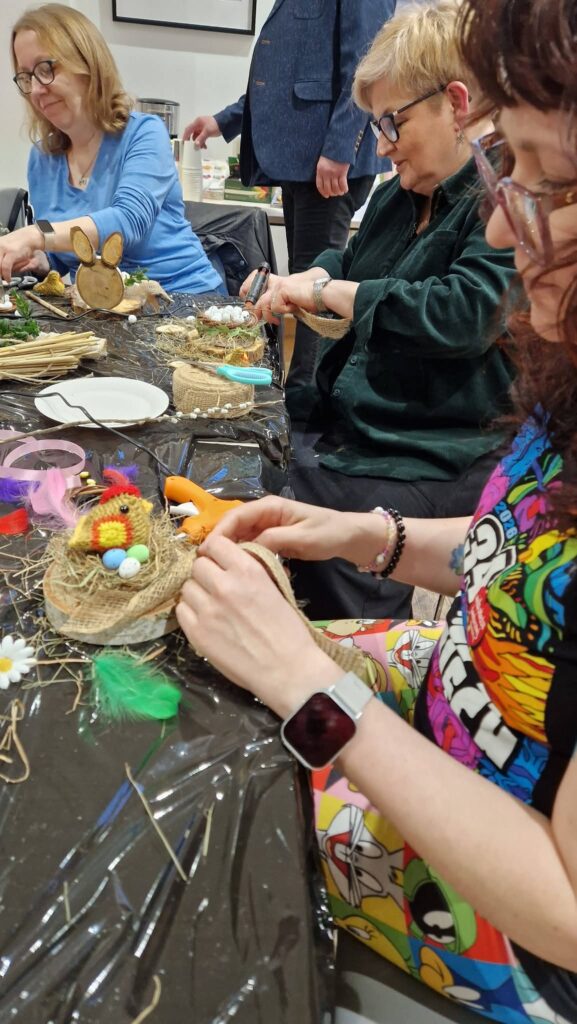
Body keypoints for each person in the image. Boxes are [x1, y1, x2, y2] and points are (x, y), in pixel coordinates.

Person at [176, 0, 577, 1018]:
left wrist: (309, 683)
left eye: (547, 182)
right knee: (208, 694)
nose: (499, 225)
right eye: (505, 168)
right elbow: (515, 557)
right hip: (453, 699)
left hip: (513, 924)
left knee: (206, 822)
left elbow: (568, 911)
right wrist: (370, 537)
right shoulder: (562, 381)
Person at [244, 0, 517, 622]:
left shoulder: (503, 200)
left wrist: (329, 294)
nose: (383, 147)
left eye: (392, 123)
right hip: (368, 421)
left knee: (308, 531)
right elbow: (349, 261)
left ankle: (347, 648)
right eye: (375, 127)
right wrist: (310, 277)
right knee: (248, 457)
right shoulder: (402, 193)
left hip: (434, 444)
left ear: (456, 104)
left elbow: (461, 313)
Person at [183, 0, 396, 391]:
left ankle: (303, 402)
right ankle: (294, 393)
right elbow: (279, 83)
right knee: (302, 283)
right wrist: (223, 121)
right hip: (302, 161)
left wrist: (340, 147)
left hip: (325, 159)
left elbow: (367, 62)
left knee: (314, 288)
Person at [0, 4, 224, 295]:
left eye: (46, 69)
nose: (37, 89)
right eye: (26, 77)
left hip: (183, 298)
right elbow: (62, 248)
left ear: (87, 65)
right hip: (101, 306)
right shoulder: (42, 159)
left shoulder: (144, 133)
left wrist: (36, 235)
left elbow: (128, 221)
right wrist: (41, 259)